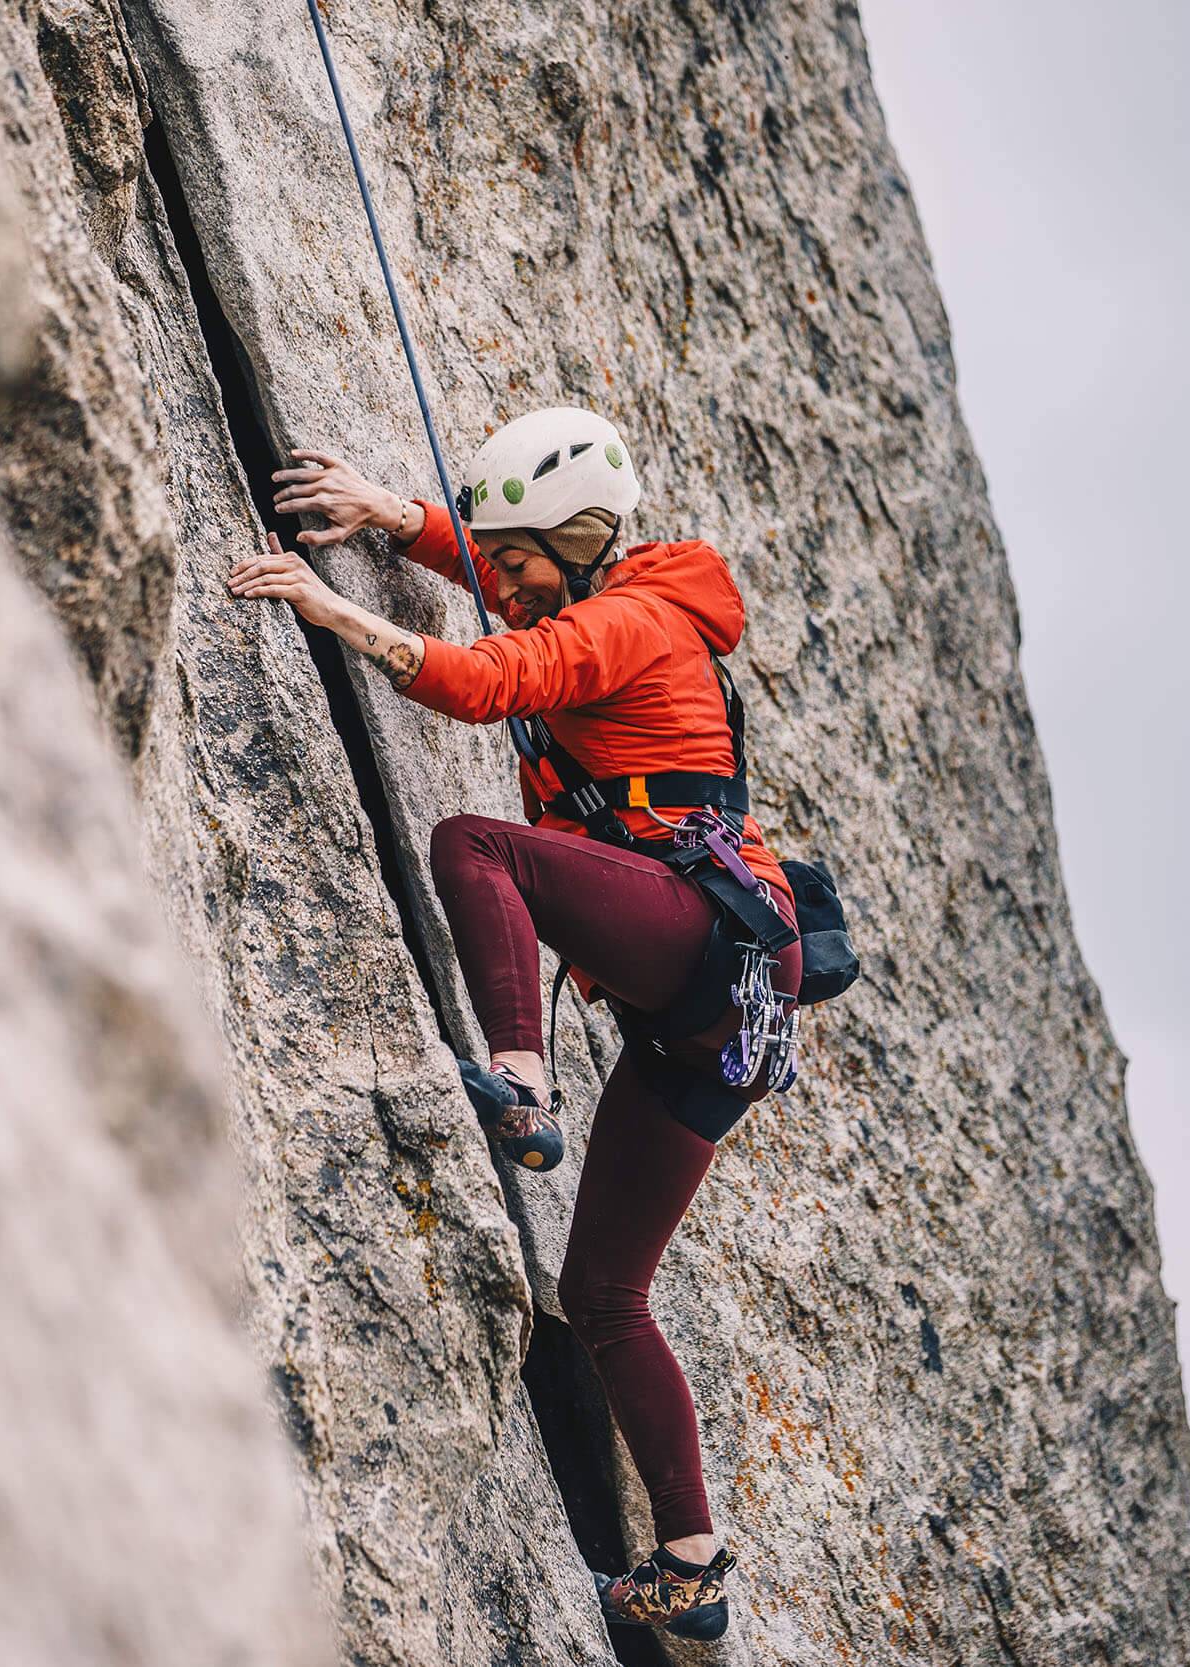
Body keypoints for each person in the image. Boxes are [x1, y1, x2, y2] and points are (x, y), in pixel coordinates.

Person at [227, 405, 797, 1642]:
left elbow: (495, 679)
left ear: (579, 540)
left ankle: (518, 1077)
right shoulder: (609, 592)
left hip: (693, 938)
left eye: (522, 556)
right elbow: (517, 592)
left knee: (476, 845)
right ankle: (692, 1564)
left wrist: (338, 612)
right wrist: (395, 517)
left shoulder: (631, 619)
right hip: (712, 1015)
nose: (508, 579)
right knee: (603, 1291)